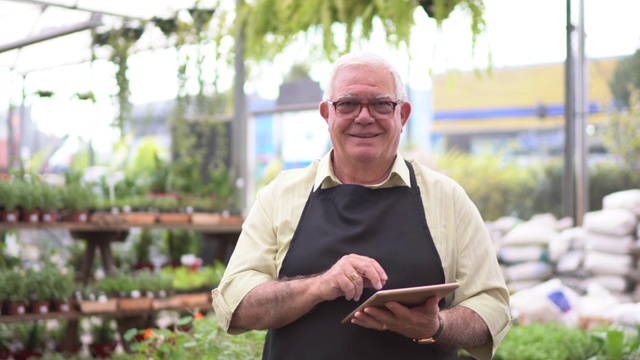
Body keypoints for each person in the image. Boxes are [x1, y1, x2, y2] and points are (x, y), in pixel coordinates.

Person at [212, 51, 512, 360]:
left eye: (381, 104)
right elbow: (237, 304)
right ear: (327, 114)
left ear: (403, 115)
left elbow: (491, 307)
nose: (364, 116)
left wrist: (435, 326)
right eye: (348, 104)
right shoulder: (280, 196)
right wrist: (318, 286)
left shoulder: (448, 199)